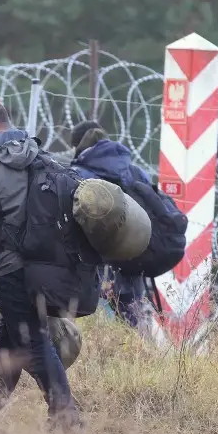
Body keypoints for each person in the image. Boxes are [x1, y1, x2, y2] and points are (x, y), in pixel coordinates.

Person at [0, 98, 90, 429]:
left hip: (10, 266)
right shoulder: (38, 154)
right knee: (12, 337)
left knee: (31, 339)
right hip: (45, 266)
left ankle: (65, 414)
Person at [70, 120, 152, 331]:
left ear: (78, 146)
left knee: (90, 325)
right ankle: (137, 349)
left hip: (94, 260)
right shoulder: (136, 172)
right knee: (131, 321)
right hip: (132, 257)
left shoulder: (78, 174)